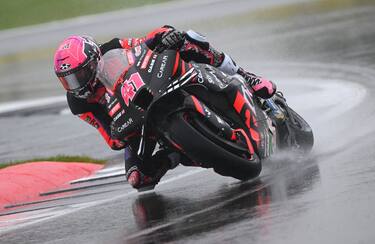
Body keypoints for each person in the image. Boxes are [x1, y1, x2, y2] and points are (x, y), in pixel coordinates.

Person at [53, 25, 280, 190]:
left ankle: (245, 76)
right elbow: (111, 137)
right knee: (137, 178)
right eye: (68, 79)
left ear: (94, 60)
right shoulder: (78, 102)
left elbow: (141, 43)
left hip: (153, 85)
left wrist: (163, 36)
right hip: (132, 120)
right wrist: (124, 136)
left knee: (187, 39)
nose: (76, 83)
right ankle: (174, 153)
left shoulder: (110, 49)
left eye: (79, 74)